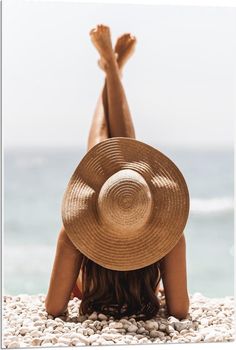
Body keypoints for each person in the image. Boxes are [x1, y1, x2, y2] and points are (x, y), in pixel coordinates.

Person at [45, 24, 190, 321]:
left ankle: (112, 67)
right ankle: (113, 68)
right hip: (146, 284)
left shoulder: (73, 232)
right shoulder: (169, 234)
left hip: (90, 280)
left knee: (102, 155)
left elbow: (53, 308)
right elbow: (179, 310)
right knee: (120, 161)